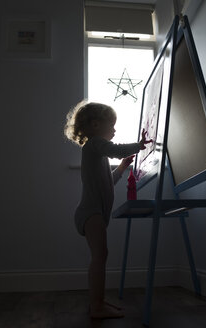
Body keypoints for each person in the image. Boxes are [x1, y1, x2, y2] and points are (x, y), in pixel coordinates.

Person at [64, 101, 151, 319]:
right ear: (95, 125)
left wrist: (121, 169)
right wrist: (139, 146)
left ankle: (99, 302)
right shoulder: (94, 145)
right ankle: (97, 306)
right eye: (111, 125)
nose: (114, 129)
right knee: (99, 257)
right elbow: (116, 150)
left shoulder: (98, 154)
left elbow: (107, 182)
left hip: (93, 213)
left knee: (101, 256)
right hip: (90, 213)